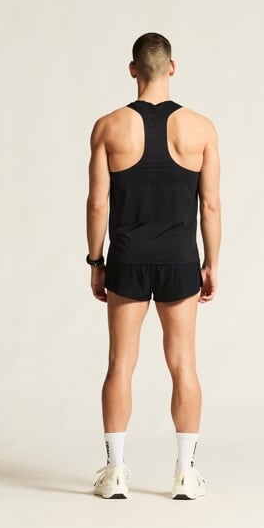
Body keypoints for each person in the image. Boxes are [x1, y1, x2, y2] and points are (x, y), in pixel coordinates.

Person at [86, 32, 221, 499]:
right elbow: (211, 205)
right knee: (184, 365)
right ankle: (185, 473)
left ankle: (115, 473)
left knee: (120, 364)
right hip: (180, 261)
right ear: (172, 68)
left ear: (132, 70)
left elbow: (97, 203)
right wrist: (211, 263)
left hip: (127, 259)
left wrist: (96, 261)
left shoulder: (108, 127)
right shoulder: (201, 128)